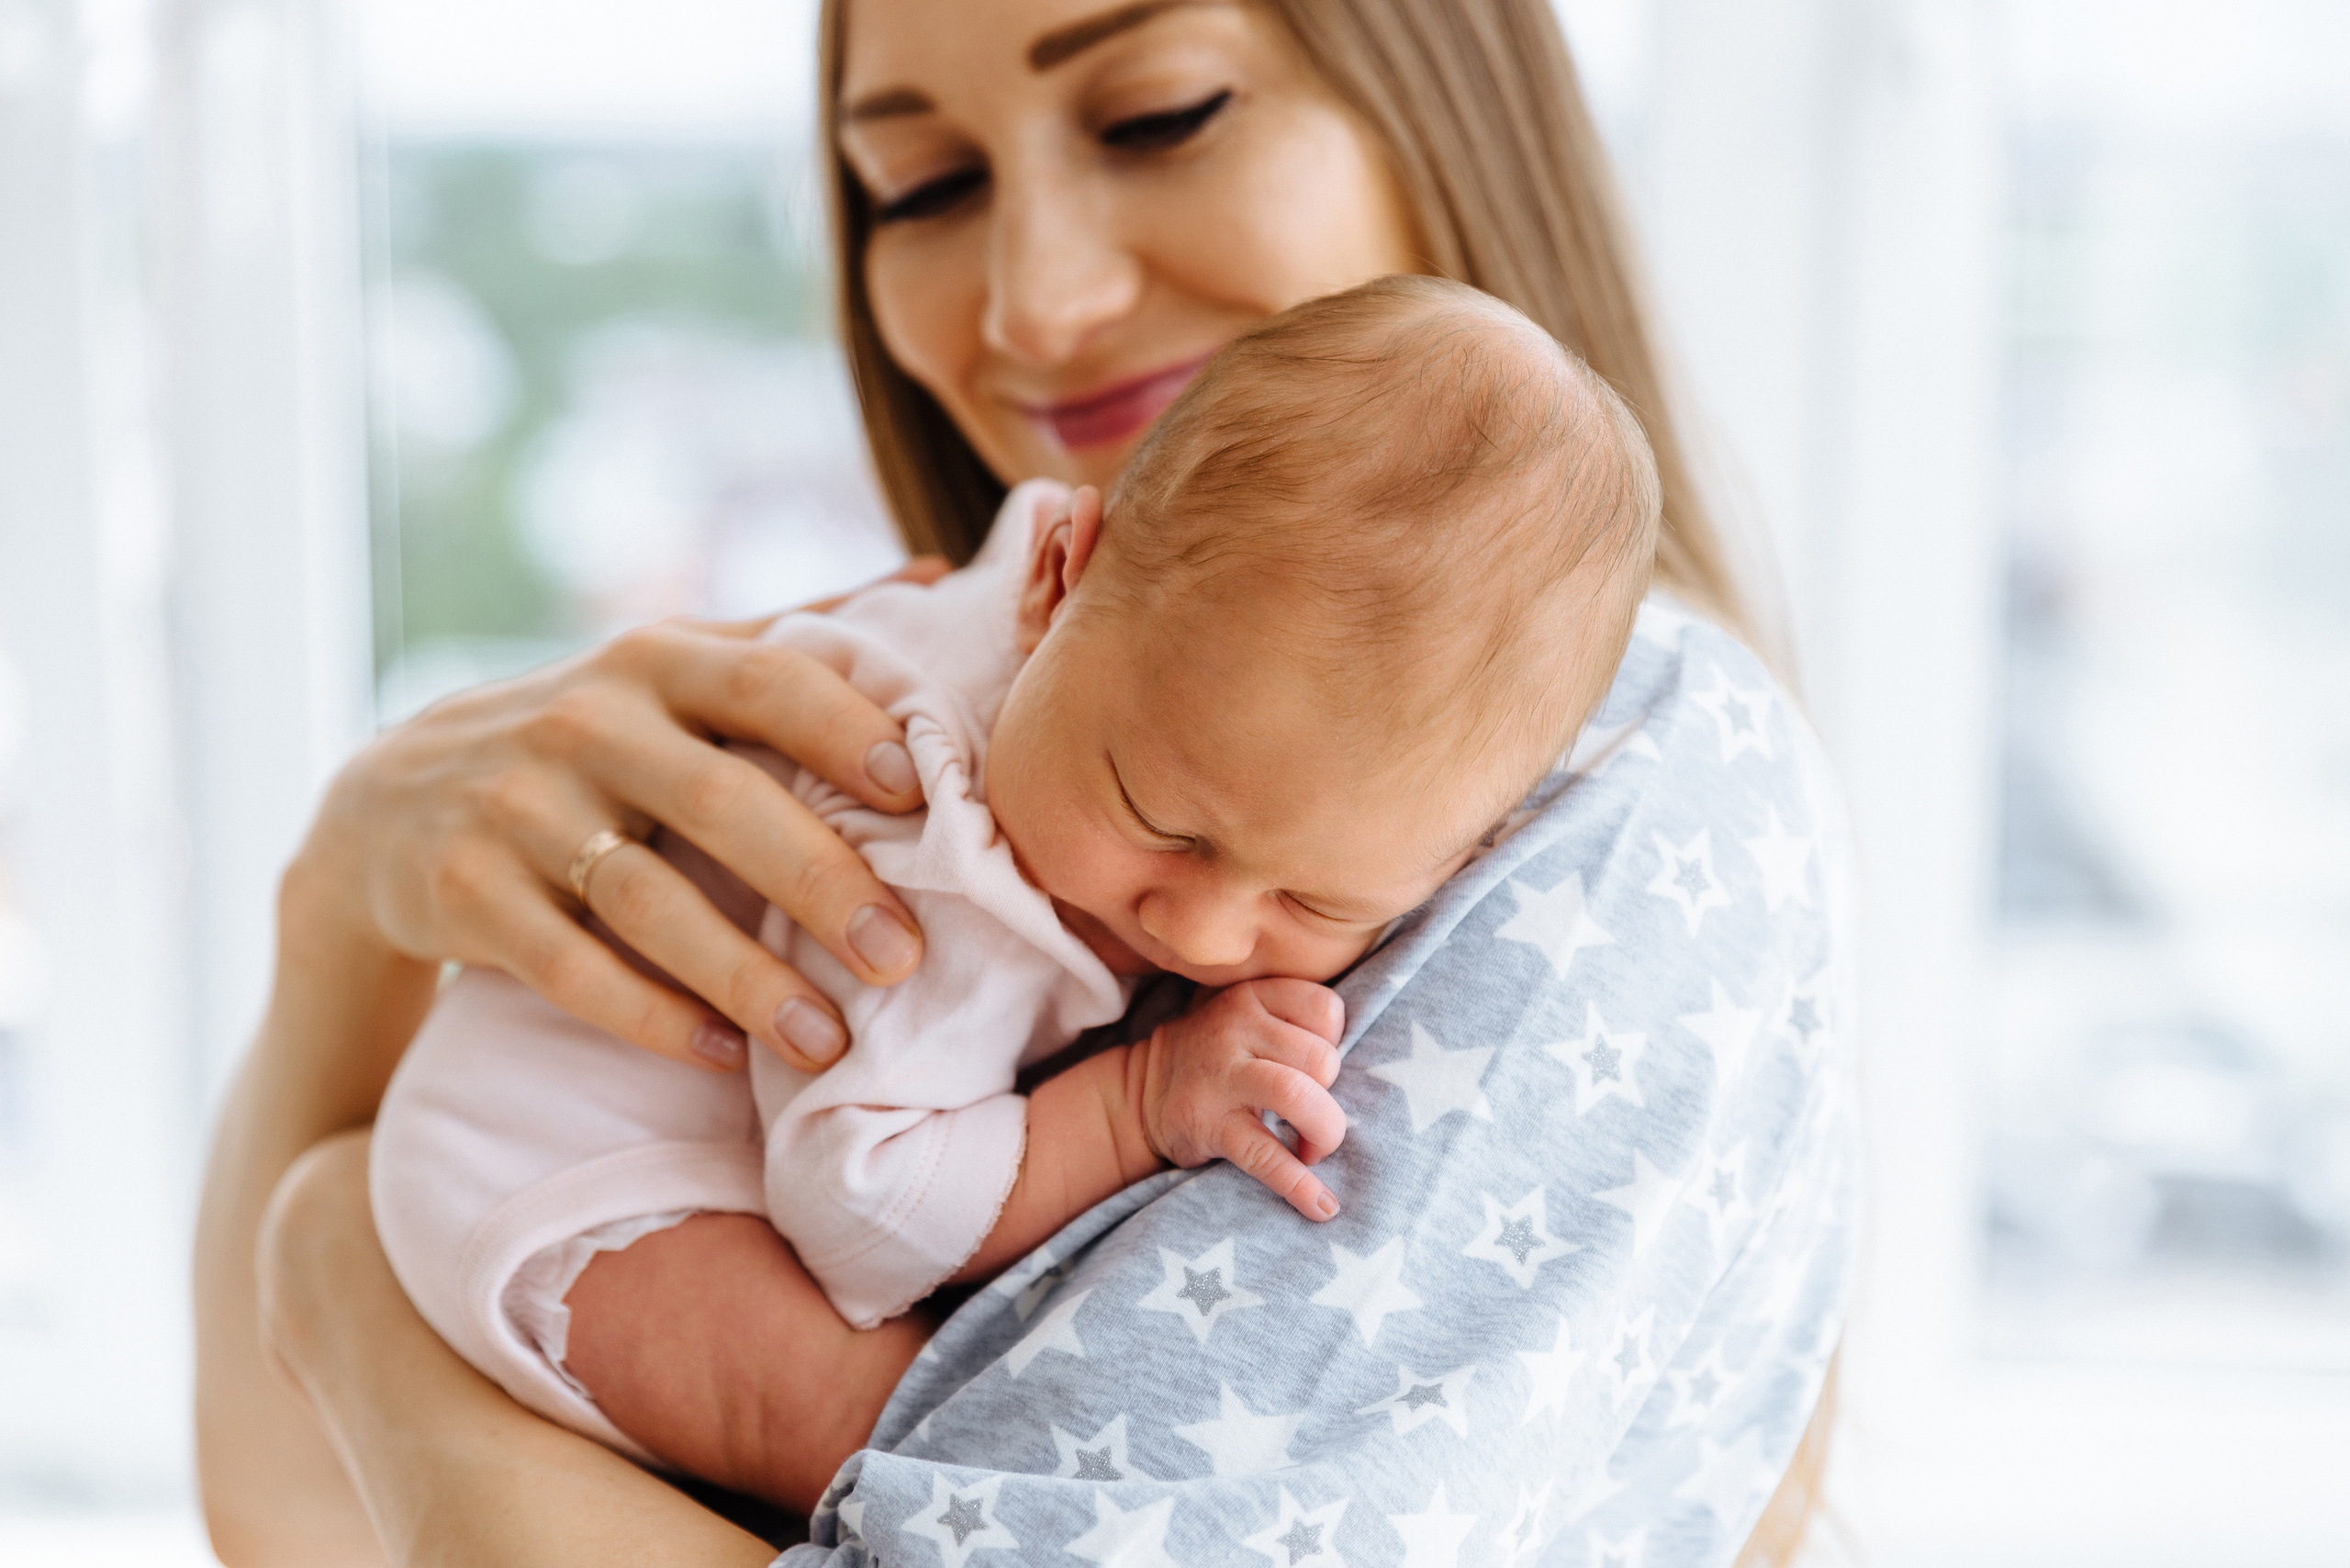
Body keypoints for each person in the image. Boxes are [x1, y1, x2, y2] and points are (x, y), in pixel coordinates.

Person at [194, 2, 1852, 1564]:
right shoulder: (928, 732)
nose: (1032, 304)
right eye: (922, 182)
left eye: (1160, 114)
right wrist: (343, 909)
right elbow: (281, 1522)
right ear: (1066, 576)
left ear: (1445, 91)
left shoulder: (1626, 777)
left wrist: (336, 1263)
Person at [369, 277, 1664, 1498]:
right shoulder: (940, 853)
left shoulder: (1147, 645)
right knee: (902, 1431)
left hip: (711, 1126)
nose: (1204, 931)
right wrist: (1141, 1102)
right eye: (1160, 821)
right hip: (562, 1171)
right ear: (1059, 580)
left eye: (1319, 904)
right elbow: (861, 1211)